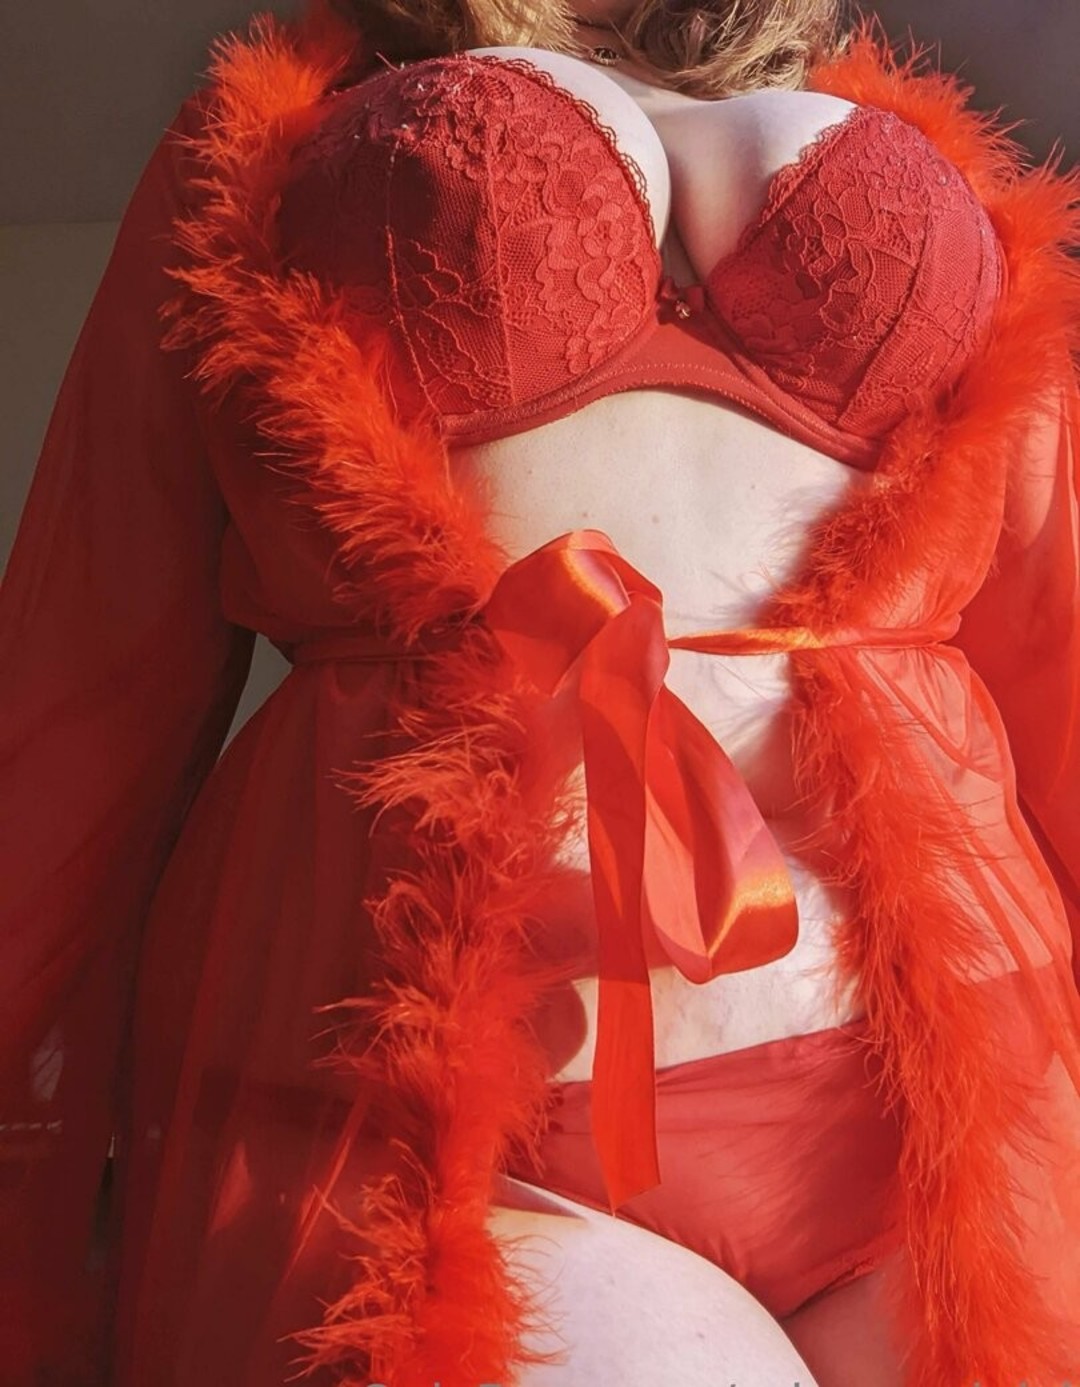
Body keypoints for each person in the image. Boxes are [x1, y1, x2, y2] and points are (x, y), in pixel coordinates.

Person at [2, 0, 1079, 1383]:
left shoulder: (897, 120)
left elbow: (1045, 628)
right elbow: (96, 657)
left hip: (933, 1073)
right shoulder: (284, 123)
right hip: (435, 1094)